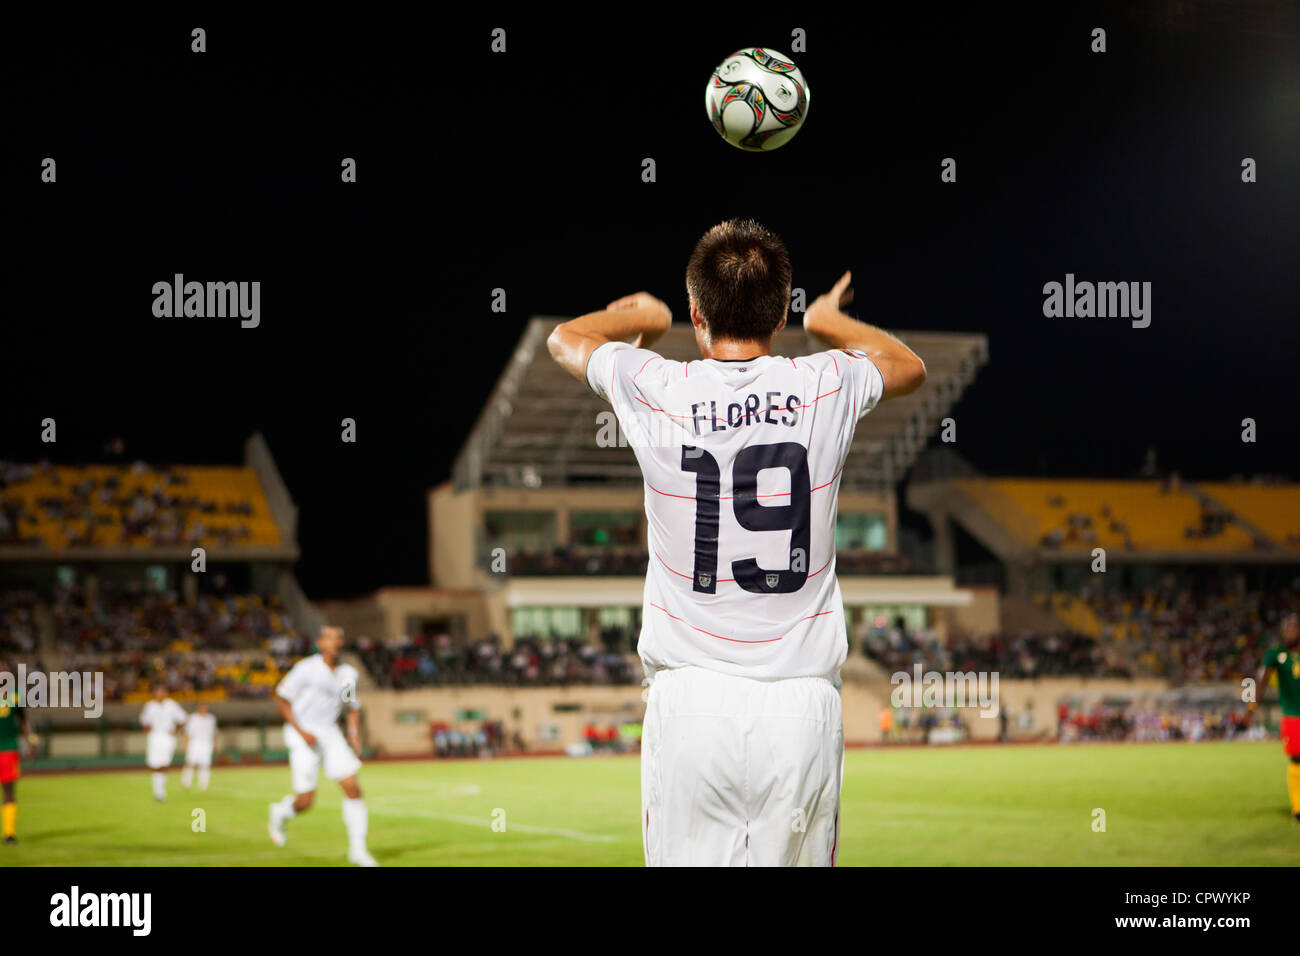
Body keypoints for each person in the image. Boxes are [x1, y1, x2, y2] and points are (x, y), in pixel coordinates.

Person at [547, 218, 926, 866]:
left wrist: (643, 314)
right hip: (801, 704)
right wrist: (833, 322)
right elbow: (908, 367)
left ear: (696, 312)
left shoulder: (655, 384)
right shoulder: (826, 382)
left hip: (691, 699)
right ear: (782, 312)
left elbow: (564, 340)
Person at [267, 625, 376, 866]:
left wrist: (354, 735)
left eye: (339, 638)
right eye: (331, 638)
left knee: (353, 788)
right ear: (320, 642)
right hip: (302, 734)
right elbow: (282, 700)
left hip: (330, 733)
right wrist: (301, 730)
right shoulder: (307, 669)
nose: (336, 642)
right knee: (305, 802)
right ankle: (280, 812)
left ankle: (357, 850)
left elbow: (350, 707)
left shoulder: (348, 673)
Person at [1255, 612, 1300, 822]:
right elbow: (1260, 680)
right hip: (1292, 717)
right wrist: (1250, 706)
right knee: (1296, 760)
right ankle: (1298, 808)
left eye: (1294, 628)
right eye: (1287, 628)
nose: (1290, 632)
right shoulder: (1275, 654)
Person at [0, 661, 31, 844]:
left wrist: (31, 741)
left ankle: (9, 833)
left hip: (9, 749)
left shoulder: (16, 696)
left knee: (9, 791)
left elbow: (24, 720)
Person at [139, 683, 187, 801]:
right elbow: (144, 721)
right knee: (154, 764)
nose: (160, 694)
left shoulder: (172, 705)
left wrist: (175, 731)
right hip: (155, 736)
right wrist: (150, 732)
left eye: (162, 691)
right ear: (155, 693)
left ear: (166, 693)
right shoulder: (150, 706)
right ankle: (159, 792)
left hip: (167, 736)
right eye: (158, 691)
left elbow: (183, 719)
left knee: (164, 763)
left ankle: (160, 791)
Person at [180, 701, 217, 791]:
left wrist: (215, 743)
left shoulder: (211, 718)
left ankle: (203, 784)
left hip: (206, 743)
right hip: (194, 742)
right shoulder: (193, 718)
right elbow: (187, 733)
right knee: (190, 763)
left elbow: (214, 733)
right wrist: (185, 744)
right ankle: (186, 783)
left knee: (205, 764)